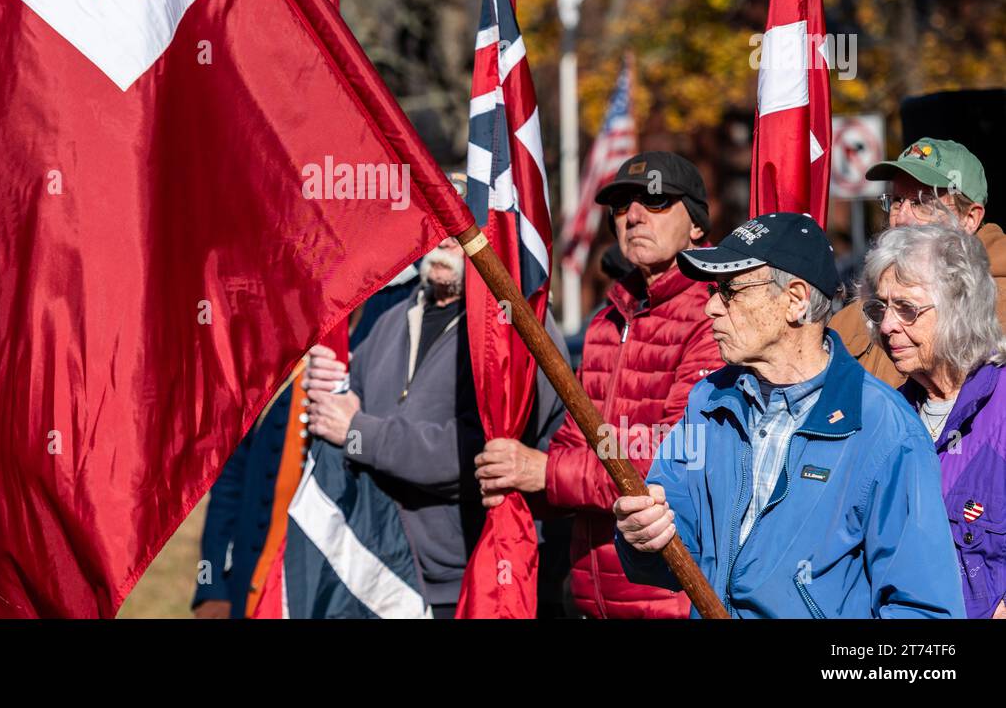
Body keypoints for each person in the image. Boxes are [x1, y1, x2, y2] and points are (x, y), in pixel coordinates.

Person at [613, 213, 964, 618]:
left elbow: (925, 608)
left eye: (730, 290)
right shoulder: (708, 402)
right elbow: (676, 554)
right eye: (714, 289)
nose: (710, 307)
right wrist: (642, 538)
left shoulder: (885, 429)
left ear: (795, 300)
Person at [472, 151, 724, 618]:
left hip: (672, 599)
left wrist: (542, 473)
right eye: (622, 205)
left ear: (696, 225)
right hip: (594, 597)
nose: (633, 216)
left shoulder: (713, 313)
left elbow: (671, 459)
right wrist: (518, 480)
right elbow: (574, 436)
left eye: (655, 202)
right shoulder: (608, 320)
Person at [304, 235, 571, 618]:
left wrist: (359, 434)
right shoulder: (389, 323)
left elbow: (473, 455)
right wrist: (327, 386)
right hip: (383, 576)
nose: (445, 241)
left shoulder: (516, 334)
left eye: (462, 232)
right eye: (439, 225)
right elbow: (343, 420)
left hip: (477, 584)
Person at [191, 264, 418, 619]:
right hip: (255, 574)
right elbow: (233, 468)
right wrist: (212, 586)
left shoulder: (403, 305)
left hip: (341, 579)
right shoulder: (274, 317)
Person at [859, 223, 1006, 618]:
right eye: (880, 308)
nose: (887, 326)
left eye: (906, 307)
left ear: (960, 305)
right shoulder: (883, 419)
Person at [834, 138, 1005, 386]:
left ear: (970, 218)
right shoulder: (861, 309)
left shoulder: (997, 304)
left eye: (921, 203)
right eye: (896, 201)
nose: (901, 218)